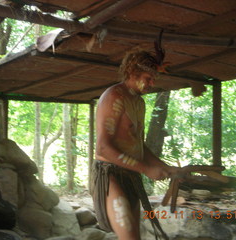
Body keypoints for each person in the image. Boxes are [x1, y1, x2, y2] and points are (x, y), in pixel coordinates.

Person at [91, 49, 179, 240]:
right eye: (148, 78)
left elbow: (138, 145)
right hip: (110, 174)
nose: (152, 84)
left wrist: (164, 167)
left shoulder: (138, 102)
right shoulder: (114, 96)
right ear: (133, 74)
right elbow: (102, 148)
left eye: (154, 79)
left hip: (130, 176)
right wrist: (146, 169)